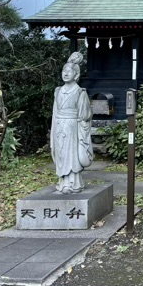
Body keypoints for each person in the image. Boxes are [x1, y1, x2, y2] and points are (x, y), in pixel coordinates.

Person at [51, 52, 93, 194]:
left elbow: (85, 114)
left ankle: (73, 183)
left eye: (69, 71)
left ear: (76, 75)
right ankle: (63, 183)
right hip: (59, 126)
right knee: (61, 155)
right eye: (64, 71)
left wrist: (81, 124)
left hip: (73, 128)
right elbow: (55, 112)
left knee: (71, 155)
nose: (66, 73)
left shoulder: (80, 92)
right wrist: (55, 127)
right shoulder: (58, 91)